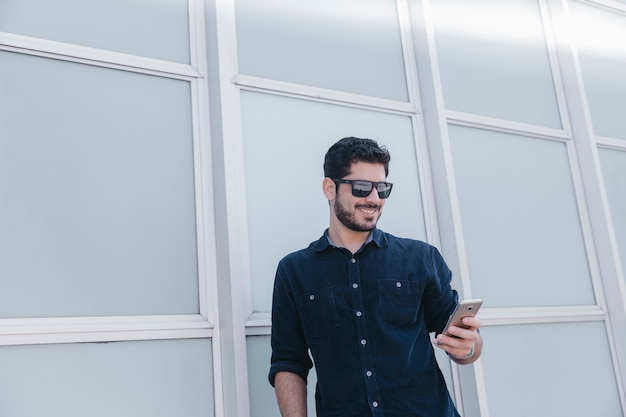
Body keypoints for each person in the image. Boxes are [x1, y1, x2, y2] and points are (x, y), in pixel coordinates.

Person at [269, 136, 482, 417]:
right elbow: (288, 361)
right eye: (361, 188)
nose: (373, 199)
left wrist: (469, 347)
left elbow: (464, 343)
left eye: (382, 189)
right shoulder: (294, 271)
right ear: (329, 188)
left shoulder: (421, 258)